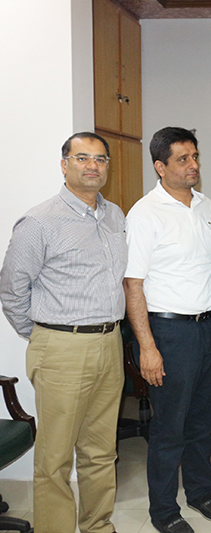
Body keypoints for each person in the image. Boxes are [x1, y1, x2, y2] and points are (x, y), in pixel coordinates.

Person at [0, 132, 126, 533]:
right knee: (54, 459)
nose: (93, 166)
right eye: (82, 158)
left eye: (100, 159)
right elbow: (12, 289)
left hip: (110, 342)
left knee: (101, 452)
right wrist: (45, 335)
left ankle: (98, 526)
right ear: (64, 165)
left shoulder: (115, 215)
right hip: (61, 348)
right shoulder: (40, 221)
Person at [124, 127, 211, 533]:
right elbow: (133, 284)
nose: (193, 165)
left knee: (205, 419)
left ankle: (201, 491)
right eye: (183, 159)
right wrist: (147, 347)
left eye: (195, 156)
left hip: (209, 328)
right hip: (168, 333)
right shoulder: (145, 214)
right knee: (170, 426)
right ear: (160, 166)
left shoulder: (207, 206)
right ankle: (164, 510)